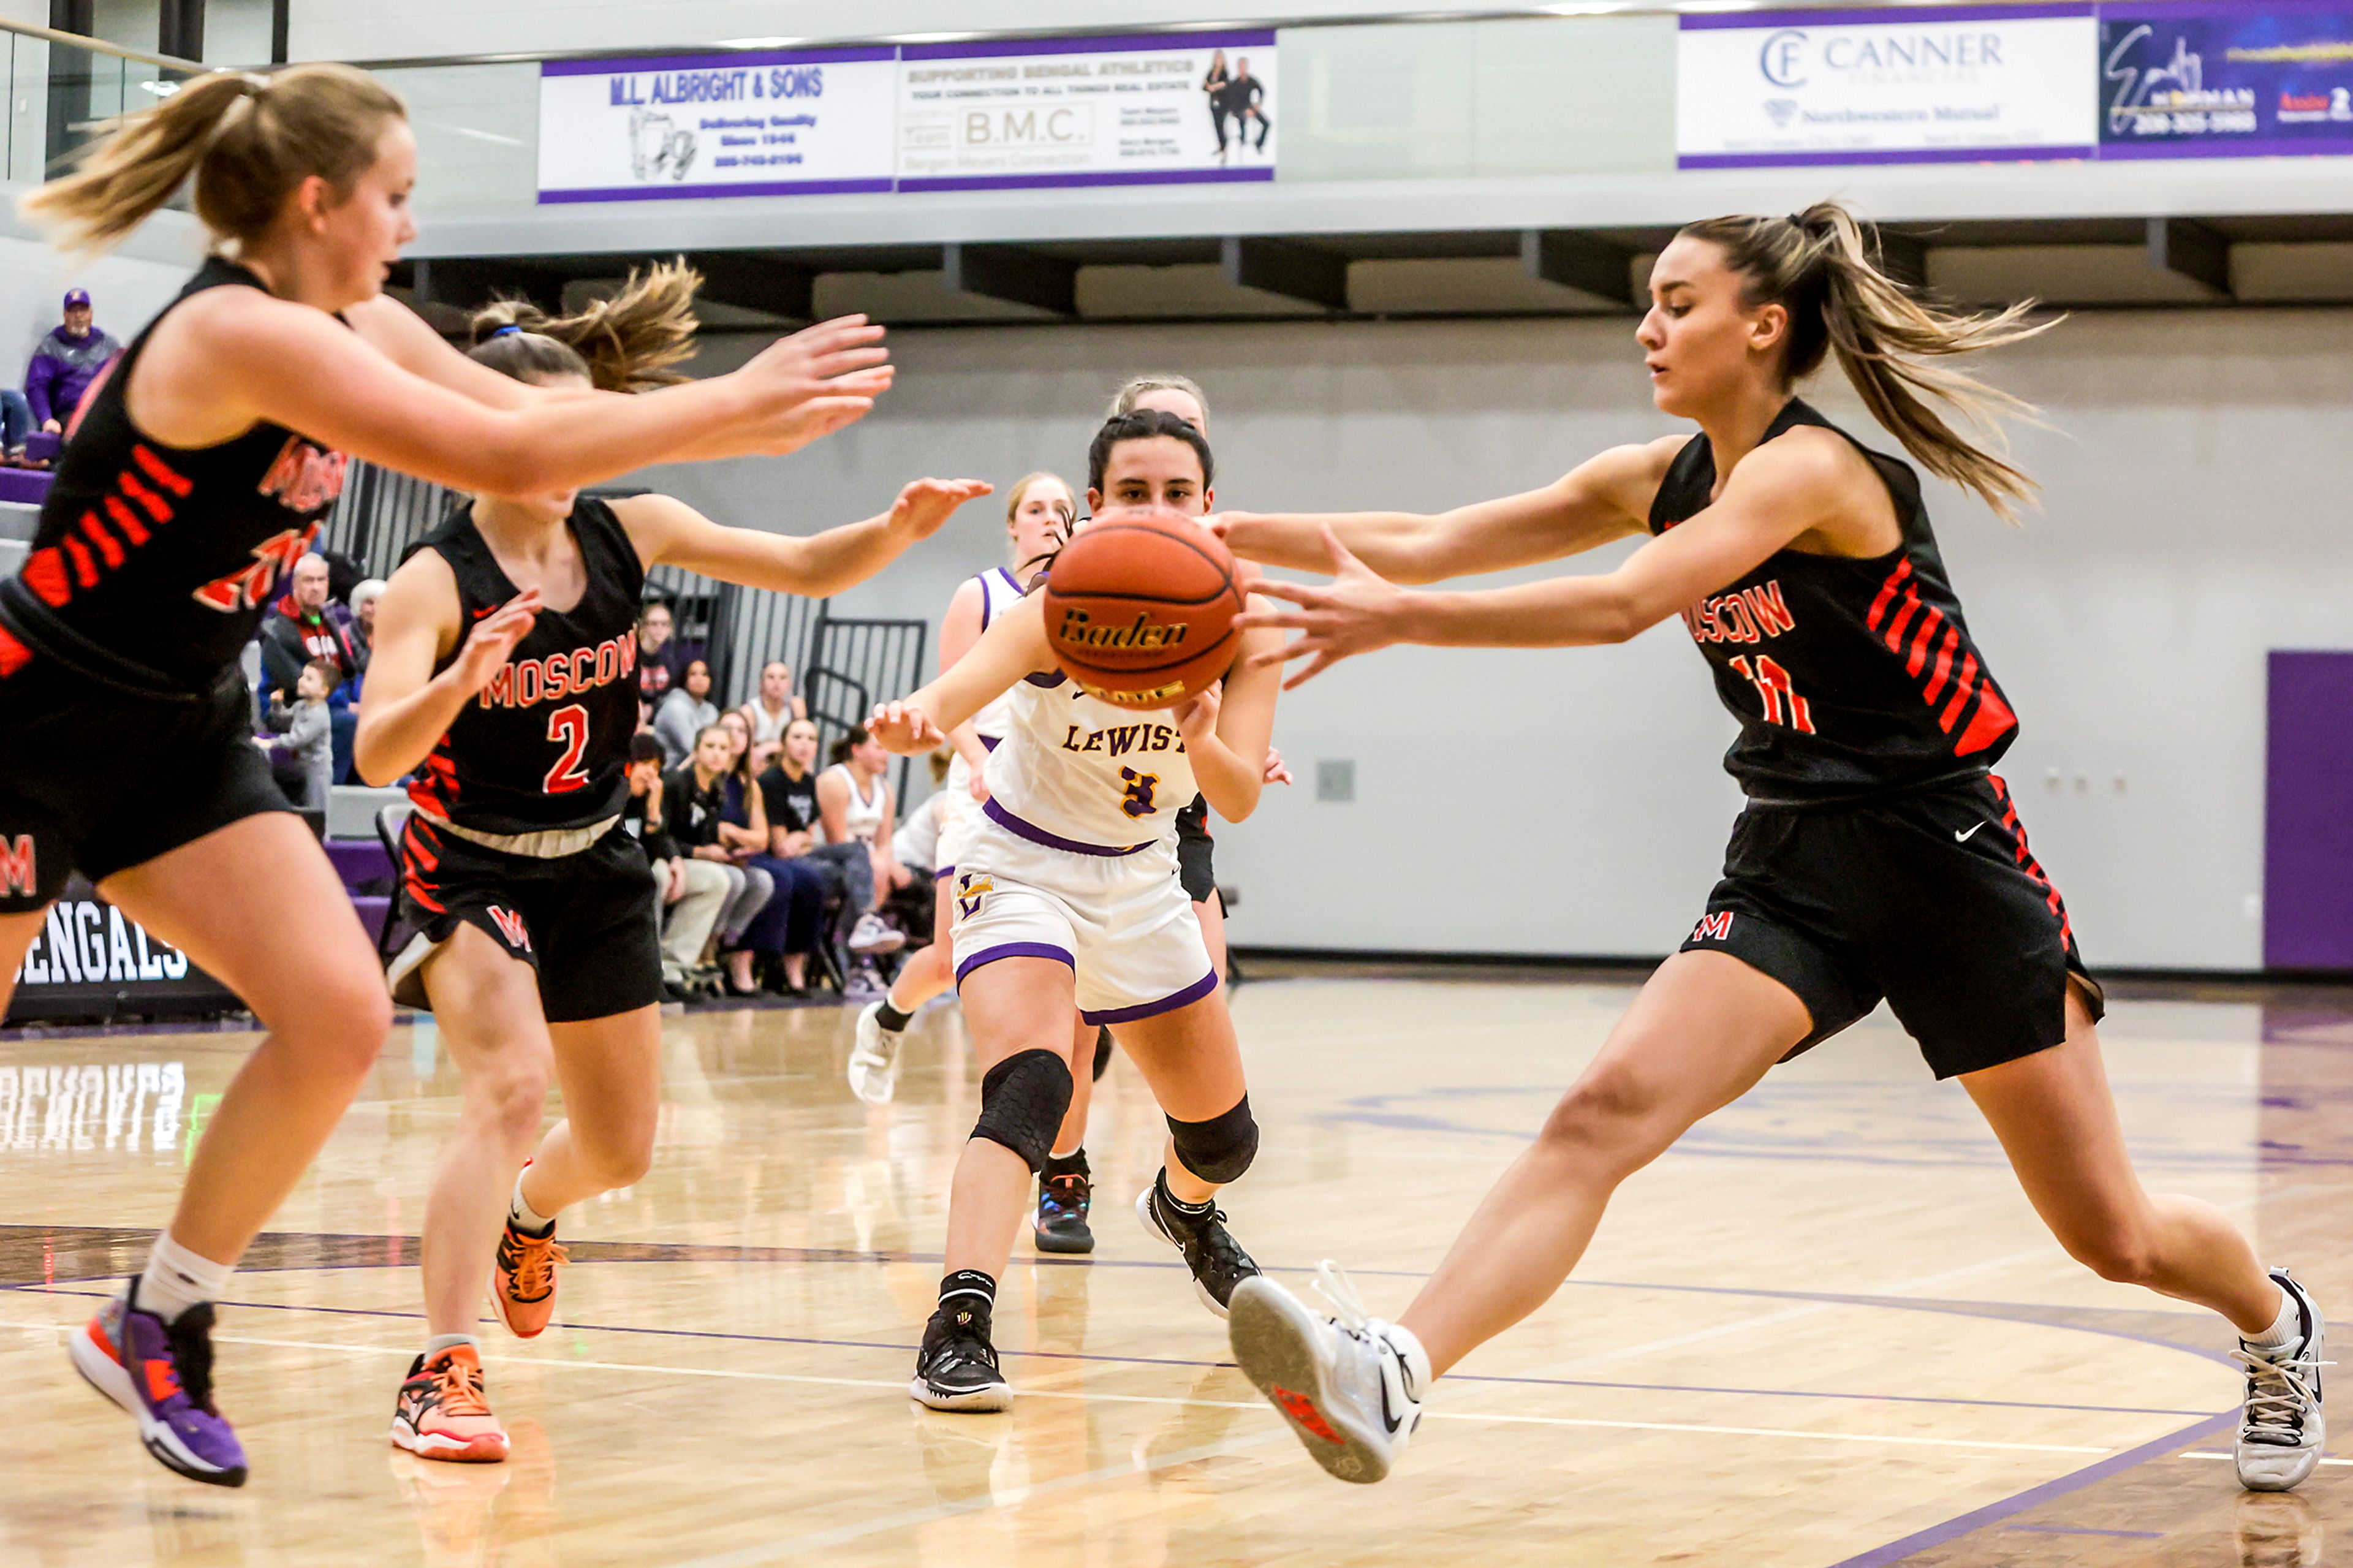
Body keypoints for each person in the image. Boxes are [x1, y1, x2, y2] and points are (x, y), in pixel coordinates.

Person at [1212, 201, 2324, 1494]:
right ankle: (1397, 1367)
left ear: (1765, 324)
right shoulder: (1652, 474)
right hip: (1795, 855)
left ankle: (2276, 1324)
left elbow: (1630, 602)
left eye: (1677, 301)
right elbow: (1428, 536)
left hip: (1946, 854)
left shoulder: (1811, 472)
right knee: (1601, 1112)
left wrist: (1403, 620)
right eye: (1649, 300)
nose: (1648, 325)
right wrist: (1196, 538)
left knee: (2115, 1236)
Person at [7, 61, 889, 1488]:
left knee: (339, 1015)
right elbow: (504, 446)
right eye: (395, 197)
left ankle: (154, 1314)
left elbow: (517, 411)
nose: (406, 228)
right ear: (316, 200)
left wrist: (728, 423)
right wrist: (731, 400)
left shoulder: (348, 316)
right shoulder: (240, 330)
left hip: (180, 725)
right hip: (32, 726)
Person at [358, 267, 985, 1462]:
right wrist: (455, 679)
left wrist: (891, 533)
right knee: (503, 1088)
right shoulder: (440, 579)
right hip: (471, 860)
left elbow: (804, 569)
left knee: (624, 1144)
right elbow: (380, 747)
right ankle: (439, 1368)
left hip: (598, 852)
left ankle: (532, 1212)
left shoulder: (626, 526)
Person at [866, 411, 1286, 1413]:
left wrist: (1203, 733)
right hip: (1020, 863)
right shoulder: (1059, 607)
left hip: (1142, 878)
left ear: (1209, 506)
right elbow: (955, 691)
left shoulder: (1248, 623)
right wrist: (913, 718)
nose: (1156, 510)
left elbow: (1235, 797)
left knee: (1226, 1139)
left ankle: (1182, 1209)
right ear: (1098, 507)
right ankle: (960, 1323)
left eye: (1176, 492)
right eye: (1132, 492)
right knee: (1034, 1082)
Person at [849, 471, 1074, 1103]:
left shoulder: (1081, 599)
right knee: (950, 959)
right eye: (1036, 508)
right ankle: (889, 1016)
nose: (1050, 519)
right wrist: (978, 763)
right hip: (982, 783)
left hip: (1053, 790)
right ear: (1012, 523)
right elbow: (950, 704)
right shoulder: (979, 594)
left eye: (1063, 508)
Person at [621, 729, 727, 996]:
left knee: (716, 880)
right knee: (656, 875)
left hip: (642, 866)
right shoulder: (611, 796)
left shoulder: (650, 796)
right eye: (643, 764)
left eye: (655, 767)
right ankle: (646, 971)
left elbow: (658, 841)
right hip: (616, 872)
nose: (649, 773)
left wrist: (655, 815)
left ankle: (671, 970)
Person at [819, 730, 907, 996]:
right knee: (867, 870)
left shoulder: (885, 789)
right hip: (830, 860)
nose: (886, 754)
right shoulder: (835, 781)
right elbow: (837, 842)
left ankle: (878, 957)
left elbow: (885, 841)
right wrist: (876, 864)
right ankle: (860, 961)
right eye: (878, 747)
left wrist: (883, 862)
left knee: (905, 879)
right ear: (856, 750)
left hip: (864, 865)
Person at [260, 550, 360, 699]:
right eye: (309, 580)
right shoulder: (276, 631)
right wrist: (346, 704)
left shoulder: (330, 623)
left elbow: (350, 673)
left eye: (321, 580)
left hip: (336, 703)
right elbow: (298, 686)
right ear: (295, 584)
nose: (316, 587)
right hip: (297, 709)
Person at [25, 286, 121, 435]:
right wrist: (47, 419)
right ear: (65, 315)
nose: (78, 316)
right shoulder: (50, 347)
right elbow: (37, 386)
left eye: (83, 310)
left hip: (101, 414)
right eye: (73, 311)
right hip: (69, 416)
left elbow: (123, 381)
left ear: (91, 314)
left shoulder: (108, 346)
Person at [258, 655, 335, 809]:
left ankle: (320, 834)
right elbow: (284, 719)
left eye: (309, 679)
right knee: (304, 806)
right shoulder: (302, 706)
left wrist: (270, 743)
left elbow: (297, 739)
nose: (301, 681)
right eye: (302, 676)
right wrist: (277, 704)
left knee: (317, 808)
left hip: (317, 767)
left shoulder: (319, 715)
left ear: (323, 691)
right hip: (303, 764)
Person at [739, 659, 806, 773]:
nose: (777, 682)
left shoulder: (795, 707)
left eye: (783, 678)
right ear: (762, 683)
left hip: (786, 770)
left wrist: (769, 747)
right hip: (756, 769)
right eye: (771, 677)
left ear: (789, 684)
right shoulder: (750, 710)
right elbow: (745, 750)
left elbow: (802, 745)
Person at [651, 653, 717, 764]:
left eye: (704, 674)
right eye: (693, 674)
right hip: (669, 772)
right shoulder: (674, 707)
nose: (699, 679)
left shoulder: (711, 710)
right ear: (684, 679)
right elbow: (693, 748)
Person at [634, 599, 678, 703]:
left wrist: (652, 709)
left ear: (670, 629)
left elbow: (666, 695)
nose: (659, 628)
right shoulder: (632, 655)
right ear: (643, 627)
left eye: (665, 624)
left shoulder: (669, 661)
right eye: (654, 623)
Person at [1229, 57, 1271, 154]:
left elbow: (1261, 90)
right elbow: (1231, 102)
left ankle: (1259, 144)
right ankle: (1243, 139)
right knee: (1243, 118)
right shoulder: (1235, 83)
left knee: (1267, 124)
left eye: (1244, 67)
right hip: (1237, 109)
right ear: (1238, 68)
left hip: (1250, 106)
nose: (1243, 69)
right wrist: (1244, 111)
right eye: (1241, 67)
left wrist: (1257, 104)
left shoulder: (1252, 81)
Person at [1202, 50, 1233, 161]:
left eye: (1220, 58)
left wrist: (1214, 87)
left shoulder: (1225, 72)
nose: (1218, 60)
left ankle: (1225, 150)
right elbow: (1204, 86)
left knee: (1222, 125)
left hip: (1224, 103)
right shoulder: (1211, 72)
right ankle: (1221, 147)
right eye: (1217, 58)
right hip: (1213, 103)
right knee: (1217, 127)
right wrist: (1209, 87)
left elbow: (1226, 84)